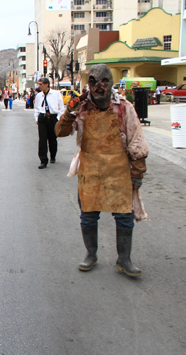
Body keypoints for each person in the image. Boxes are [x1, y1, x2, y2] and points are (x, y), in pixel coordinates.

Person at [55, 63, 149, 277]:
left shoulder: (124, 107)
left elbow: (137, 140)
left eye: (104, 81)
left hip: (119, 170)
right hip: (90, 170)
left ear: (111, 83)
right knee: (88, 216)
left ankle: (124, 259)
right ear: (88, 84)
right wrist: (70, 112)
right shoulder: (81, 107)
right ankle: (91, 255)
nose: (99, 86)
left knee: (124, 217)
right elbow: (60, 132)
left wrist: (137, 173)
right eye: (94, 81)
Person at [34, 77, 64, 169]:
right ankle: (43, 160)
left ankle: (53, 155)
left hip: (52, 118)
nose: (39, 86)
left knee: (52, 138)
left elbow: (61, 108)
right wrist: (37, 118)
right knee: (42, 139)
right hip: (42, 117)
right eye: (38, 84)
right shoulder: (39, 95)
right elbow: (36, 108)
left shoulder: (56, 94)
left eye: (41, 84)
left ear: (46, 84)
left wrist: (58, 118)